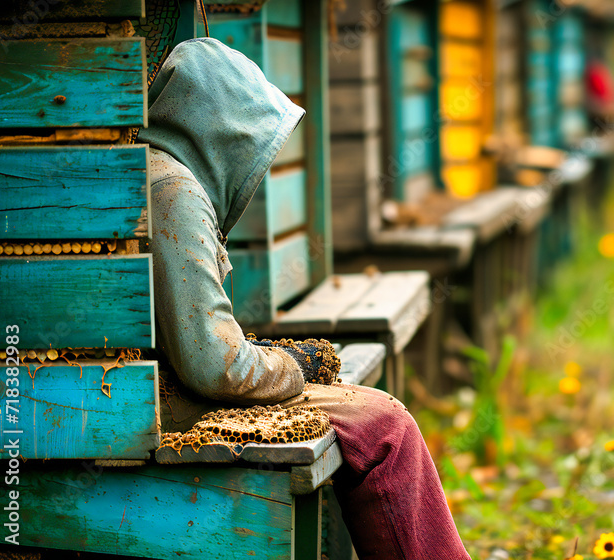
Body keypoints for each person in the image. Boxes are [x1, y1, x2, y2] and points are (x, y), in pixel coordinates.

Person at [140, 37, 470, 560]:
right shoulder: (173, 192)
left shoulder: (159, 177)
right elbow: (216, 365)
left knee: (377, 416)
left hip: (155, 392)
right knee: (386, 429)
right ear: (222, 130)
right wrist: (293, 365)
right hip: (163, 405)